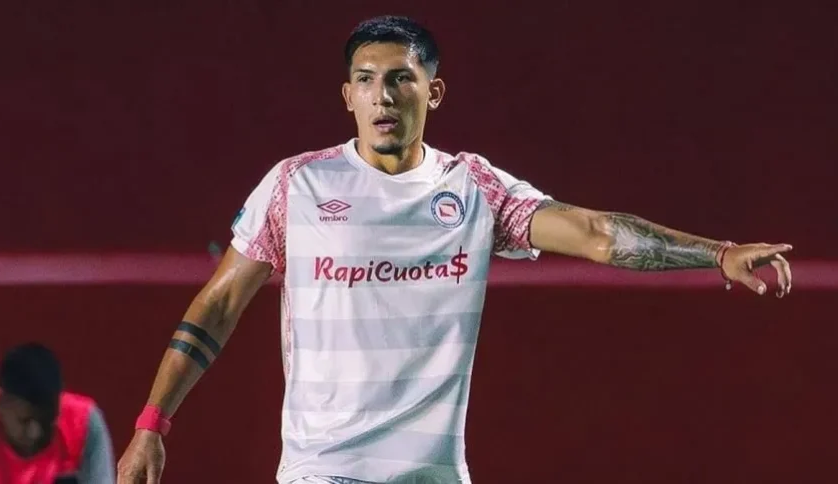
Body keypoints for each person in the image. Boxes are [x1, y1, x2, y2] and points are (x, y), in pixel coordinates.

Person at [116, 15, 793, 484]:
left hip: (435, 474)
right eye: (365, 79)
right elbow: (218, 305)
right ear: (347, 96)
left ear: (432, 92)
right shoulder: (298, 184)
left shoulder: (475, 188)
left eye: (400, 78)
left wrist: (719, 253)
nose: (383, 95)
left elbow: (594, 233)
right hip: (324, 470)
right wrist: (152, 422)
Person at [0, 343, 115, 484]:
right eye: (24, 420)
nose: (35, 433)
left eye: (47, 420)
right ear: (0, 403)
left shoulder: (84, 422)